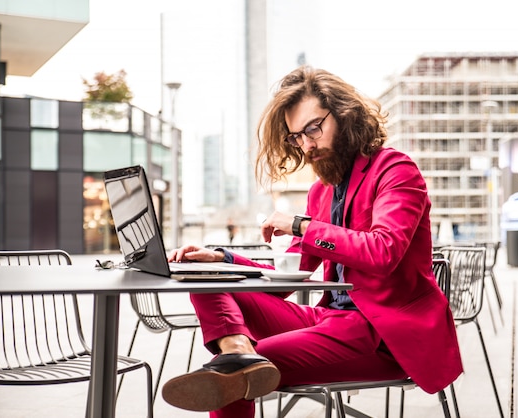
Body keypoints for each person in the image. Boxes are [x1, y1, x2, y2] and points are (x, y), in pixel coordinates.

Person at [161, 66, 463, 417]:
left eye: (313, 129)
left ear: (345, 115)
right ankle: (237, 349)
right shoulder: (322, 191)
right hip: (327, 319)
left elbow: (383, 252)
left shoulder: (395, 169)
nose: (306, 145)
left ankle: (238, 360)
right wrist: (222, 259)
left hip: (381, 334)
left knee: (237, 374)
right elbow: (285, 280)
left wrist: (301, 225)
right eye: (296, 137)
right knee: (207, 281)